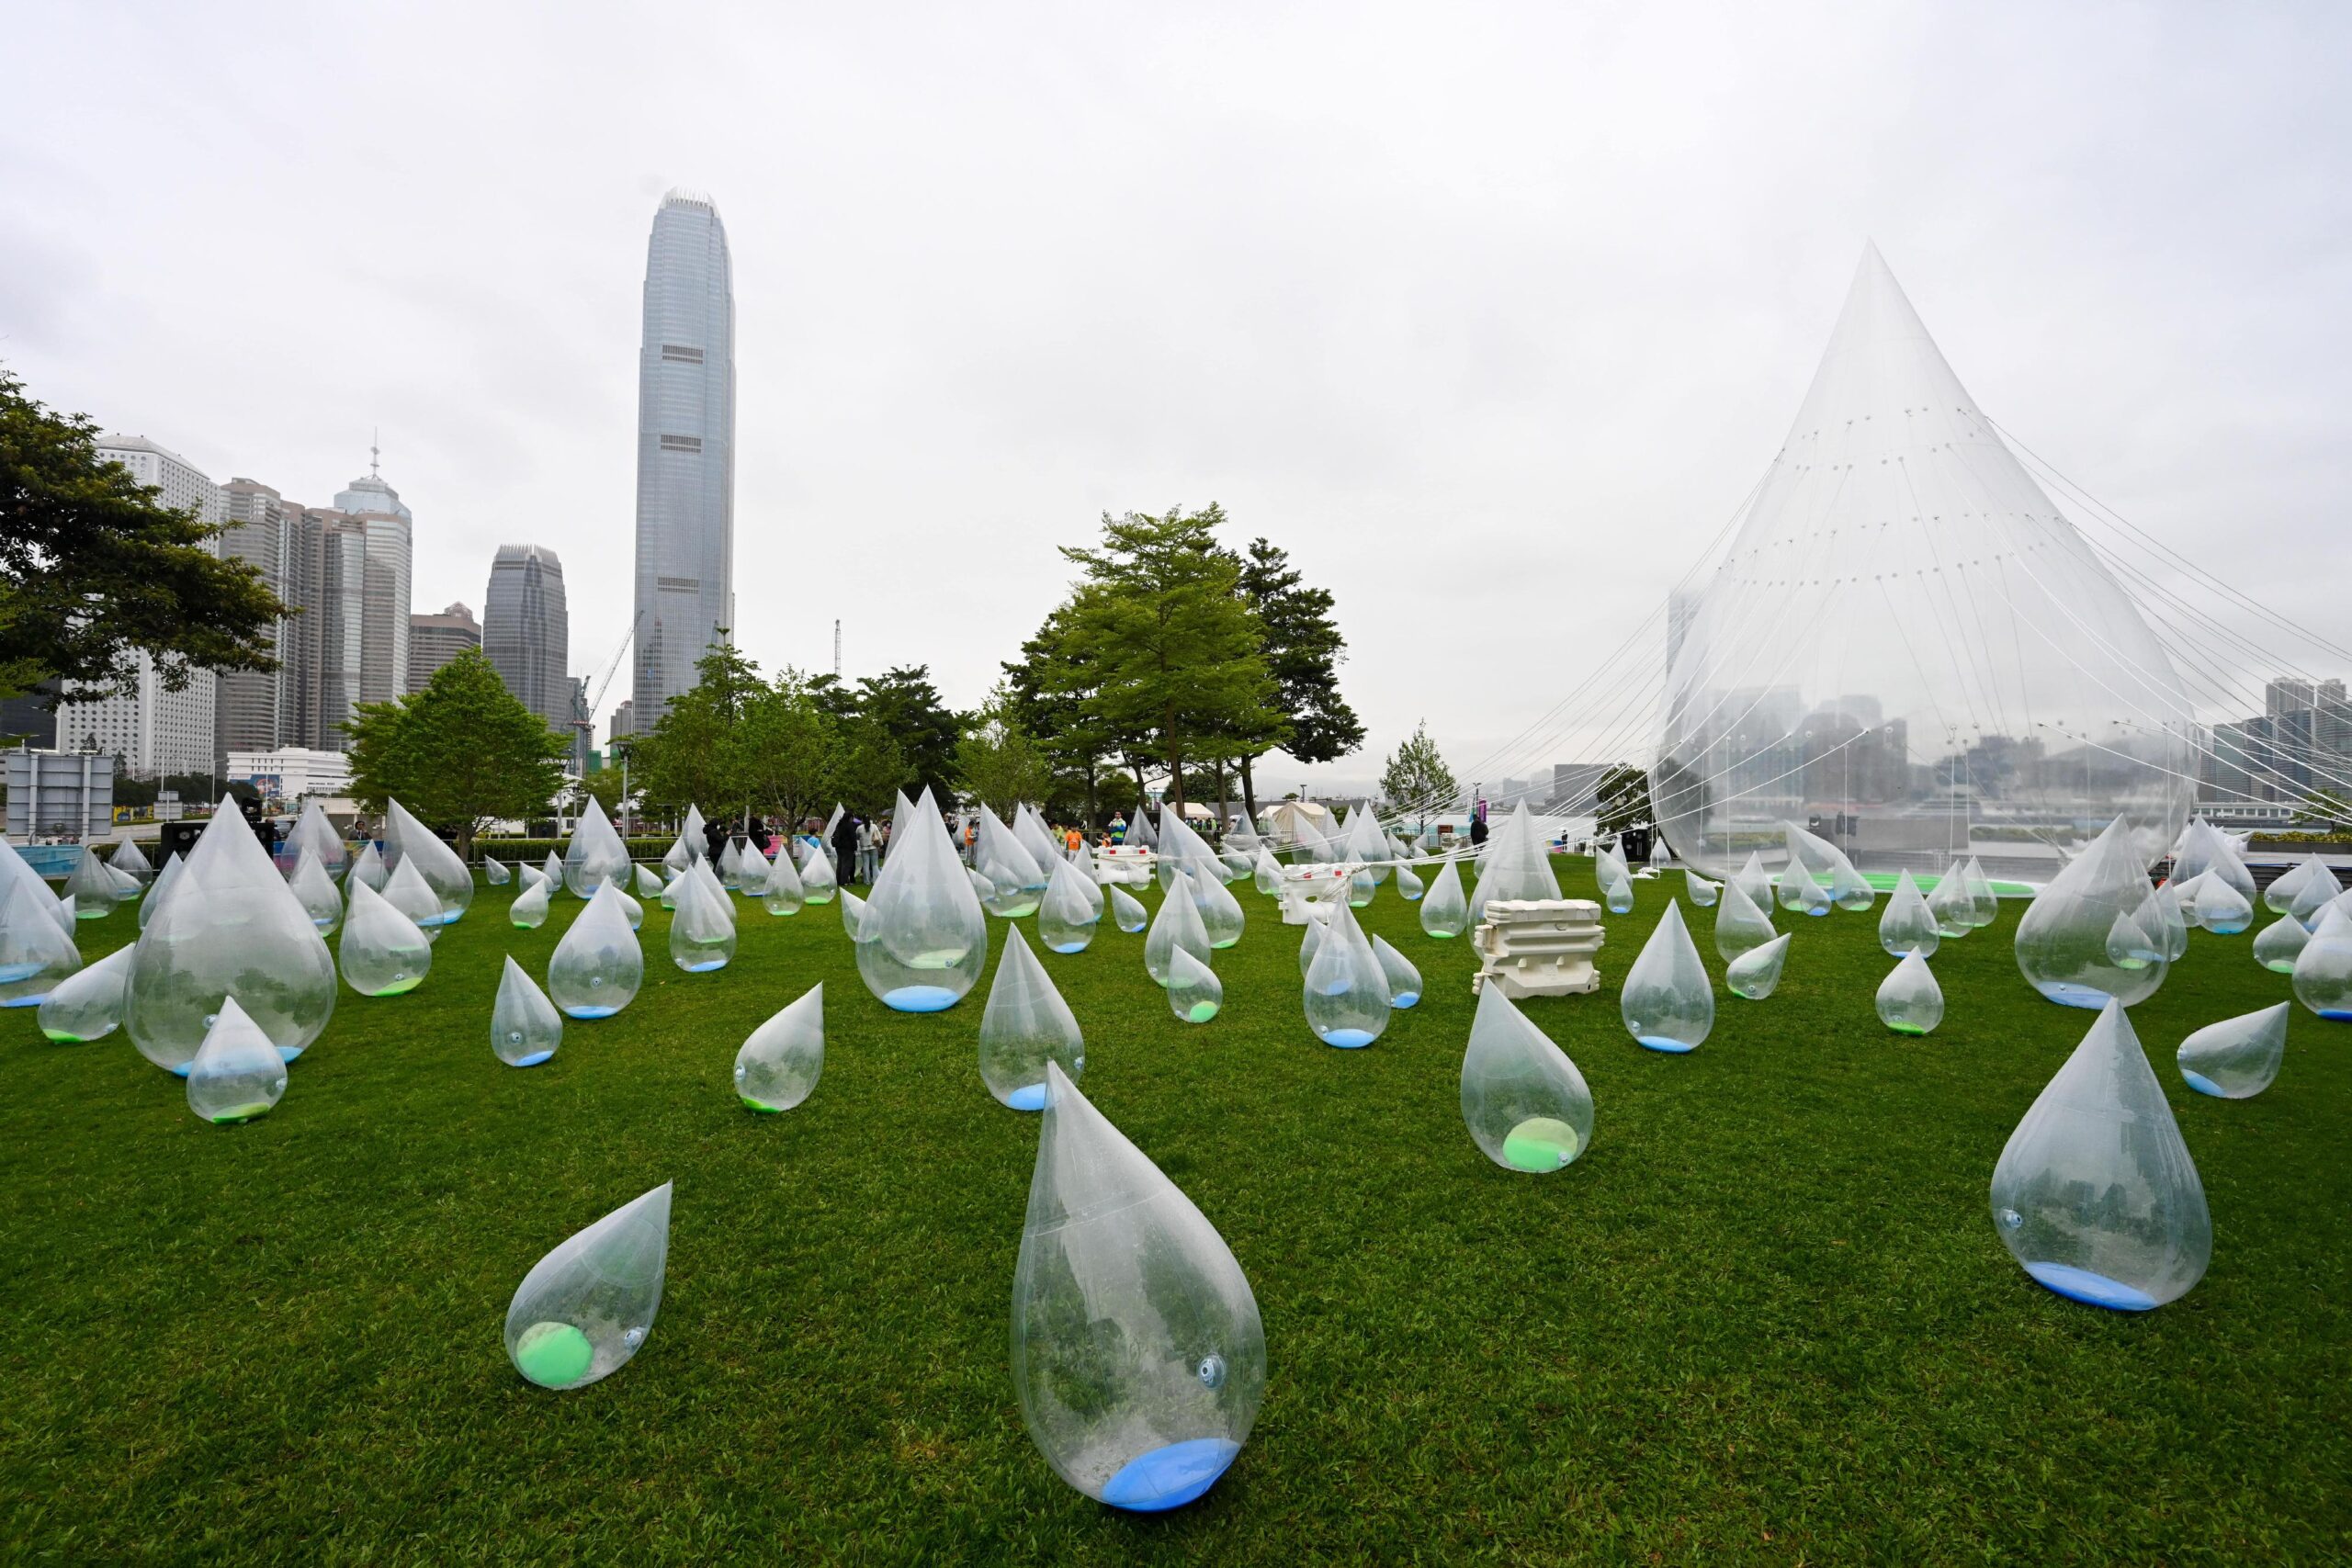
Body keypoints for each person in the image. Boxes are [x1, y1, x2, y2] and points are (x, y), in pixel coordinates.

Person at [832, 811, 860, 888]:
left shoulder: (839, 824)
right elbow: (853, 838)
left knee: (840, 864)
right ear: (850, 818)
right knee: (846, 864)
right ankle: (844, 881)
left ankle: (839, 880)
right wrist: (855, 847)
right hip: (847, 848)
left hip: (839, 847)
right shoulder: (849, 825)